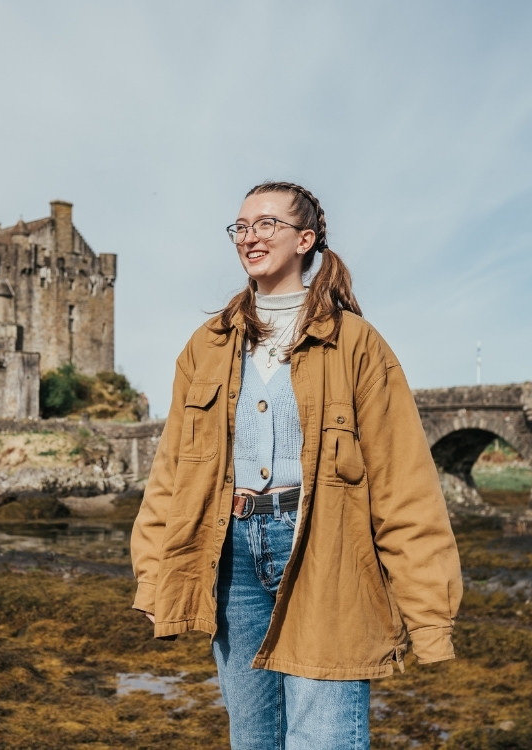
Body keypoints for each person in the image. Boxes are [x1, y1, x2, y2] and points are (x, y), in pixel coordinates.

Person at [130, 181, 462, 749]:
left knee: (326, 737)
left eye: (266, 224)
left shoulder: (357, 344)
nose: (249, 237)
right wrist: (157, 571)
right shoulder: (205, 346)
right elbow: (173, 471)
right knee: (253, 737)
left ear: (305, 240)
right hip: (230, 554)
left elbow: (403, 484)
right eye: (240, 226)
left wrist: (428, 618)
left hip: (326, 549)